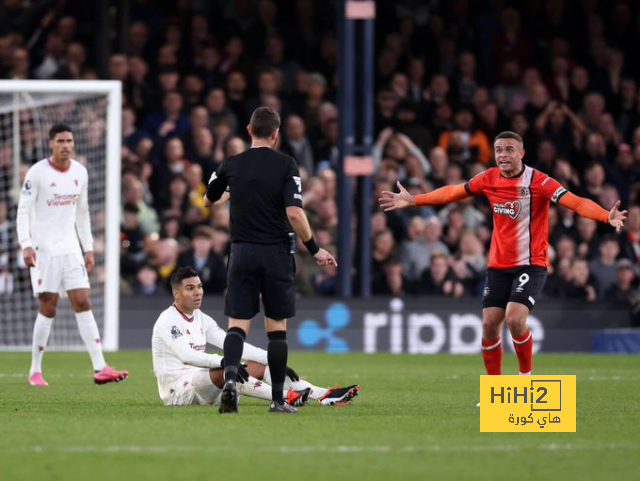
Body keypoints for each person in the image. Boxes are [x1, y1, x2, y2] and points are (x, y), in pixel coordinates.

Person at [379, 131, 627, 379]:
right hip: (498, 265)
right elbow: (453, 192)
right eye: (498, 150)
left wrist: (605, 215)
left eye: (509, 149)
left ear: (521, 153)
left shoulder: (539, 182)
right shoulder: (488, 178)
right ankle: (494, 389)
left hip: (530, 264)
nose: (503, 155)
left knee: (515, 319)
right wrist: (415, 200)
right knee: (488, 325)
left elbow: (575, 202)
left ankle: (525, 378)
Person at [204, 107, 336, 414]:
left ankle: (230, 384)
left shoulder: (231, 163)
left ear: (249, 132)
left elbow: (209, 199)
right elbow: (294, 212)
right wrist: (315, 248)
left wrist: (226, 194)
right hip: (275, 253)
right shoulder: (286, 164)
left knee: (237, 326)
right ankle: (277, 400)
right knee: (276, 329)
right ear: (276, 134)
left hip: (241, 253)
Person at [16, 124, 128, 386]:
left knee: (82, 301)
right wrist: (26, 244)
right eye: (61, 141)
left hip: (71, 251)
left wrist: (87, 248)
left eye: (69, 141)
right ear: (51, 144)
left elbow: (82, 212)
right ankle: (35, 370)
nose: (66, 145)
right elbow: (23, 210)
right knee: (48, 306)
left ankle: (100, 367)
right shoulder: (37, 173)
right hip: (44, 251)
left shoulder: (80, 172)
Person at [152, 267, 359, 407]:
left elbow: (231, 343)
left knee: (260, 366)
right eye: (190, 288)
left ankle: (321, 394)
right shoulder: (168, 320)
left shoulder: (201, 318)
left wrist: (271, 358)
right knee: (229, 369)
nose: (197, 292)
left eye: (199, 287)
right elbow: (186, 355)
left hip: (206, 386)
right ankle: (286, 398)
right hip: (177, 391)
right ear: (176, 294)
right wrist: (225, 362)